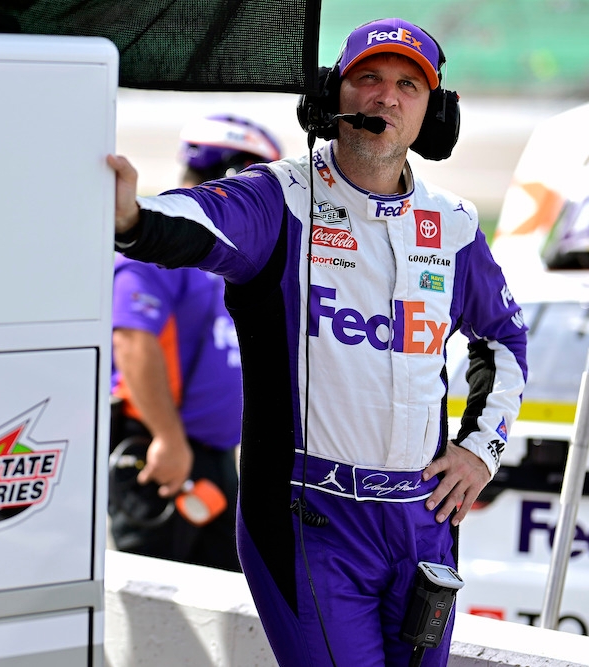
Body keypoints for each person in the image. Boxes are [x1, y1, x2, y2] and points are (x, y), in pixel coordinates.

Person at [106, 17, 528, 667]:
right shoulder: (280, 198)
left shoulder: (453, 223)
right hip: (311, 519)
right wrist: (134, 218)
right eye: (369, 78)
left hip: (422, 522)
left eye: (409, 86)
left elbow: (504, 336)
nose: (386, 97)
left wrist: (480, 451)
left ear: (434, 113)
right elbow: (198, 218)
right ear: (334, 94)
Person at [109, 114, 283, 572]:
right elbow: (132, 339)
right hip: (164, 451)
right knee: (155, 590)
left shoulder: (223, 252)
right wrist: (167, 439)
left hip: (214, 455)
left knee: (229, 588)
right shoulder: (155, 243)